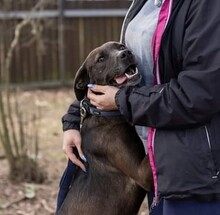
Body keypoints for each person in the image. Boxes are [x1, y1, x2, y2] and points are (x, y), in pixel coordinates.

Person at [57, 0, 220, 214]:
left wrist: (122, 100)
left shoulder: (205, 7)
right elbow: (121, 76)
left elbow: (198, 94)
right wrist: (71, 120)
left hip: (189, 169)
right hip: (158, 157)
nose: (122, 54)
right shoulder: (144, 2)